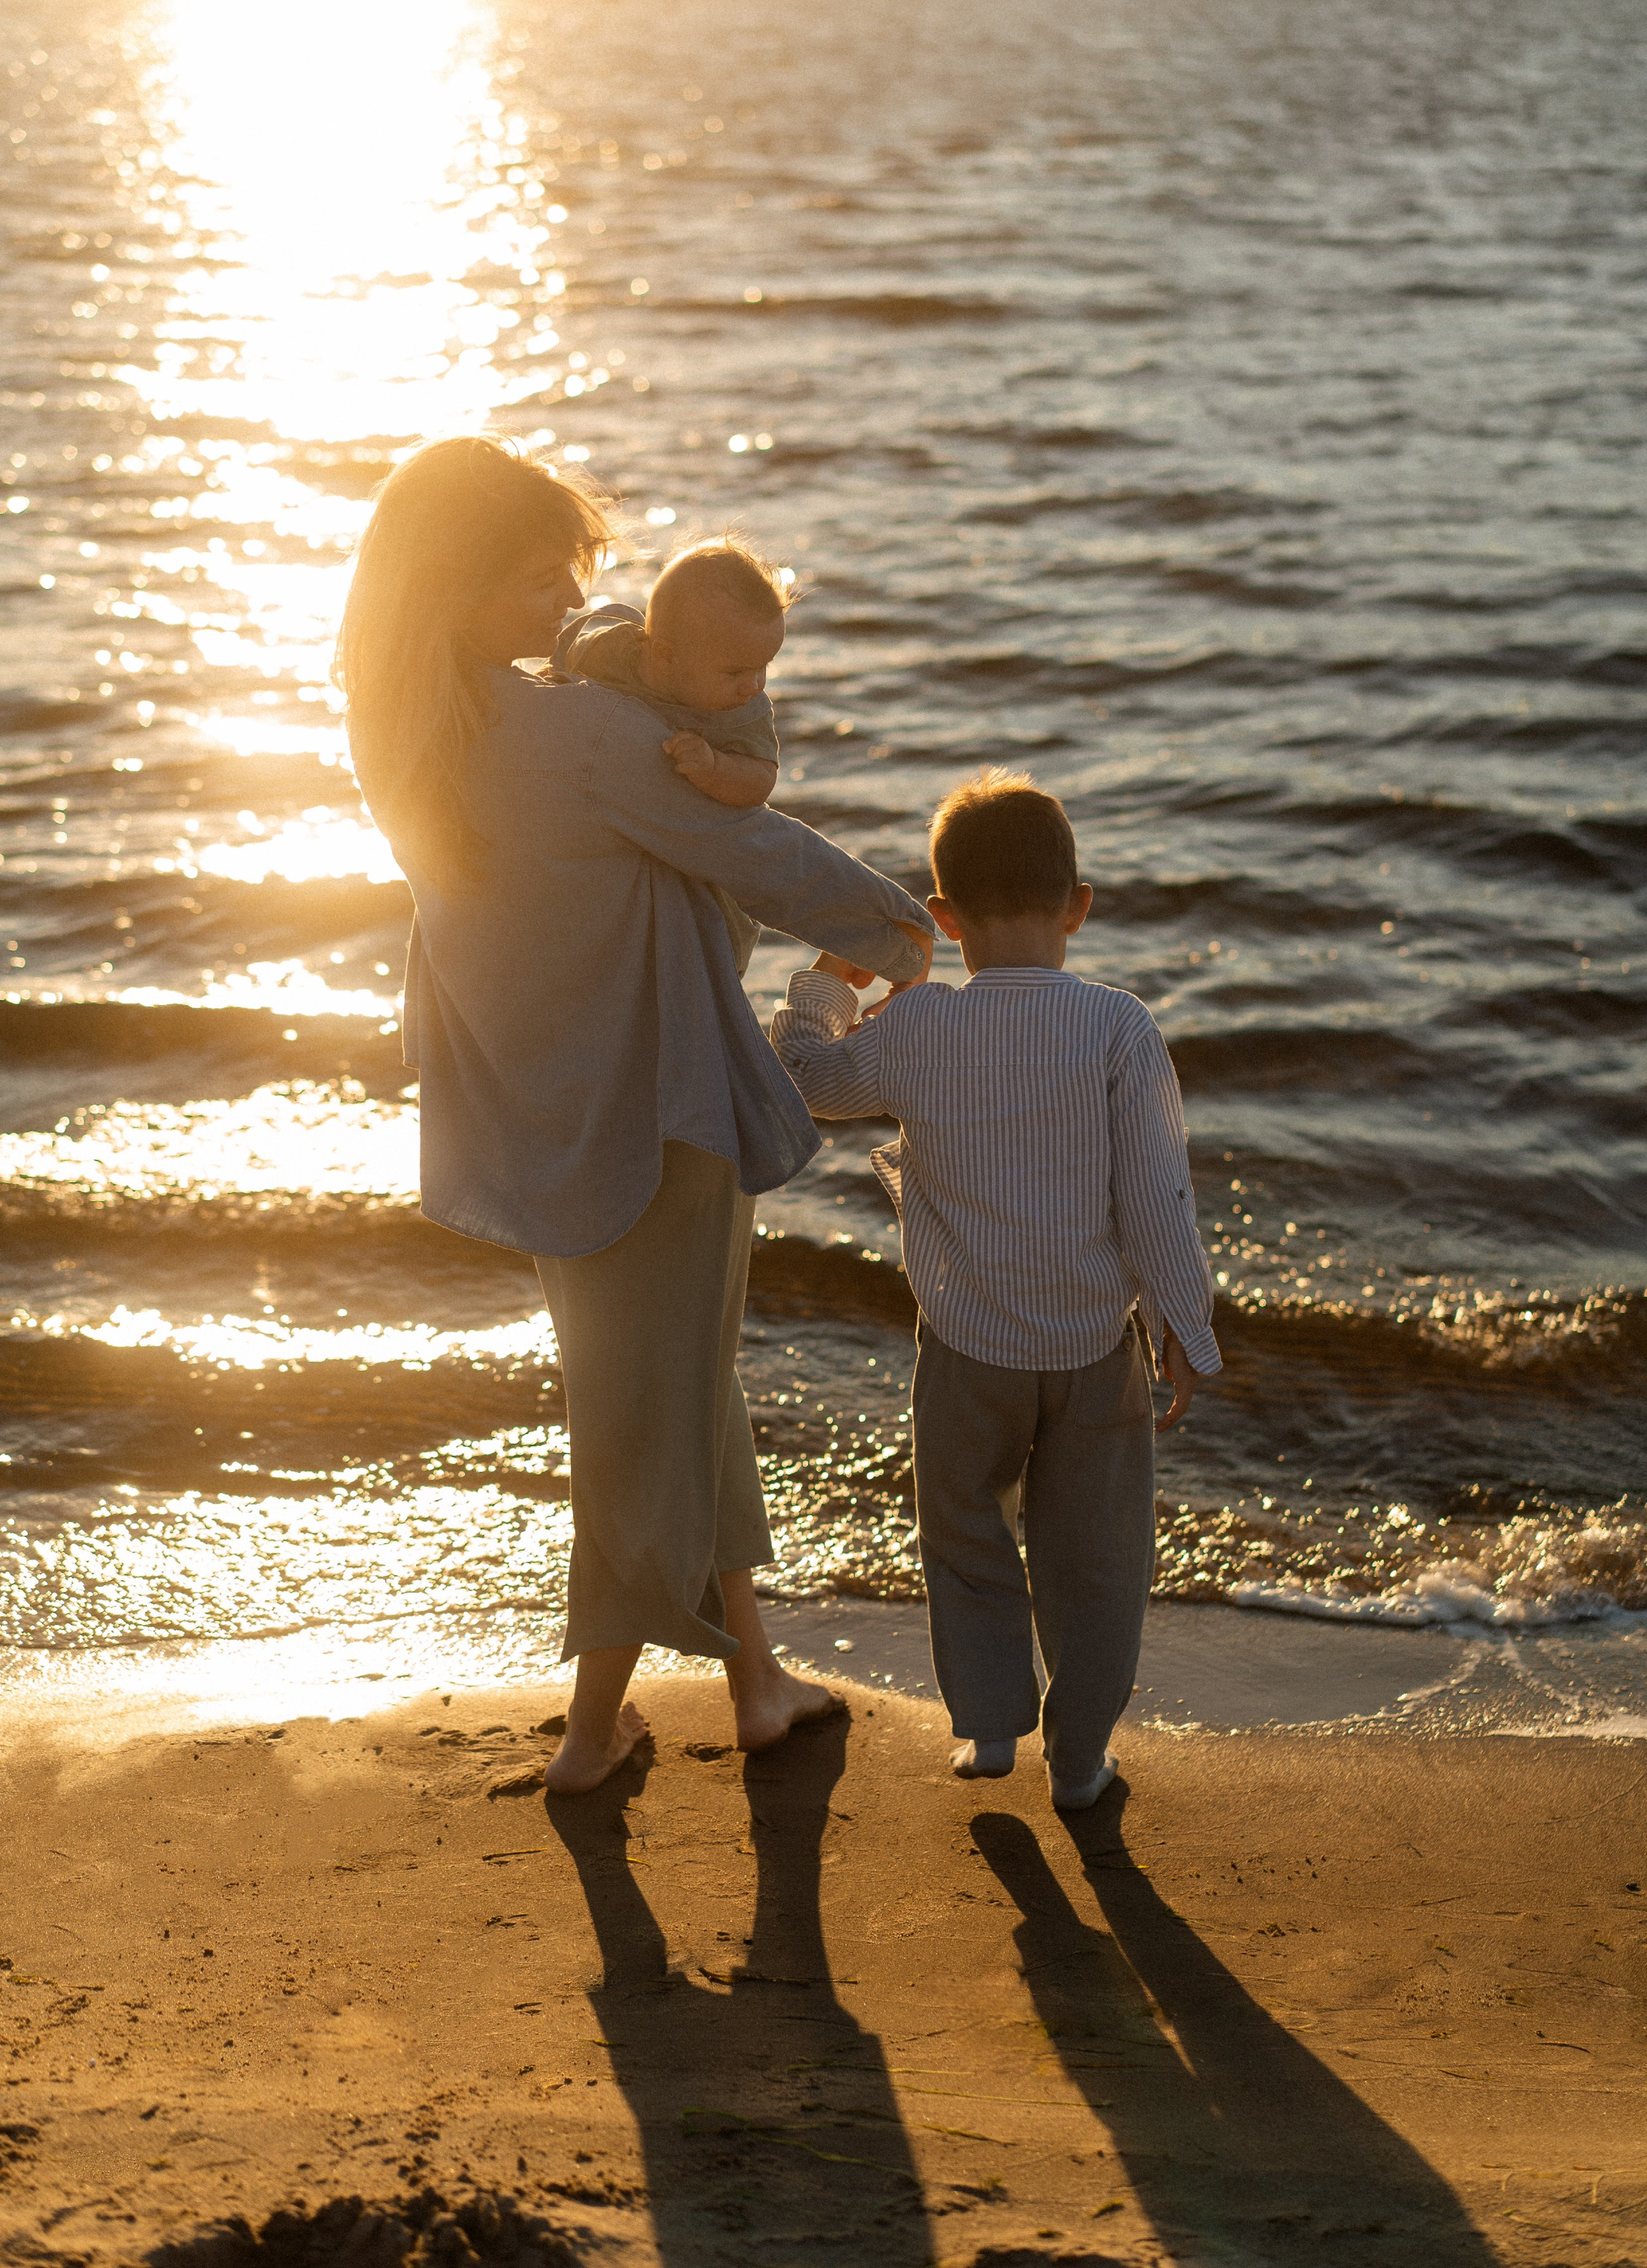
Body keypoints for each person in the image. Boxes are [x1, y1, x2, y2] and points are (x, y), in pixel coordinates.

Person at [335, 435, 932, 1794]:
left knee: (675, 1386)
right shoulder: (580, 736)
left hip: (540, 1103)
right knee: (637, 1417)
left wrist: (608, 648)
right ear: (452, 592)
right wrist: (900, 931)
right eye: (540, 582)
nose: (568, 604)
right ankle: (592, 1734)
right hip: (661, 1110)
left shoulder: (407, 734)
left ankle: (757, 1680)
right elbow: (754, 852)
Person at [769, 769, 1220, 1811]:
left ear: (942, 918)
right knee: (1097, 1560)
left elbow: (811, 1079)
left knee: (966, 1530)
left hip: (968, 1348)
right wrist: (1183, 1323)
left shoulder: (923, 1027)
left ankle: (988, 1731)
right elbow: (1158, 1195)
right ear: (1078, 906)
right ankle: (1081, 1761)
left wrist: (830, 988)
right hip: (1092, 1349)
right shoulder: (1119, 1029)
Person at [560, 537, 787, 973]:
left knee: (709, 948)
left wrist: (716, 768)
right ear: (663, 656)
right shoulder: (610, 655)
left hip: (707, 873)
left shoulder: (744, 712)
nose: (754, 685)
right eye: (736, 671)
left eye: (765, 666)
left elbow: (761, 779)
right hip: (621, 849)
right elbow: (567, 681)